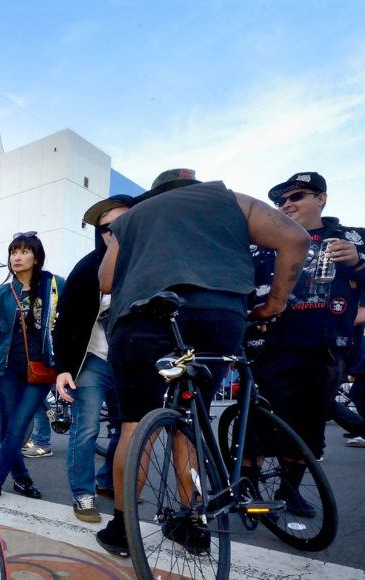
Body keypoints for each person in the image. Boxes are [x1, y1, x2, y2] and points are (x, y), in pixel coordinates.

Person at [94, 169, 309, 557]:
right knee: (192, 419)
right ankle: (193, 523)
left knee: (134, 425)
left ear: (157, 191)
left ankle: (123, 531)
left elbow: (106, 280)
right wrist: (274, 303)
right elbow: (294, 237)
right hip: (218, 311)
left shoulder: (132, 217)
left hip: (144, 317)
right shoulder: (231, 200)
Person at [250, 172, 365, 461]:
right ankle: (249, 491)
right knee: (256, 420)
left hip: (326, 347)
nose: (285, 204)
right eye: (280, 200)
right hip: (268, 343)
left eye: (296, 196)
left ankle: (291, 493)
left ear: (321, 198)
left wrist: (358, 262)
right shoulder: (261, 242)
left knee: (309, 425)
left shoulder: (354, 237)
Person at [51, 194, 132, 522]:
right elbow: (64, 323)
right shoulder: (87, 269)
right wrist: (63, 369)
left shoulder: (151, 263)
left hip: (131, 362)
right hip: (93, 360)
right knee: (85, 430)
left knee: (128, 429)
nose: (112, 233)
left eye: (120, 225)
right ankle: (83, 494)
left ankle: (107, 481)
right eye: (105, 229)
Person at [0, 233, 64, 502]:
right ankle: (22, 478)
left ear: (36, 257)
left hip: (41, 369)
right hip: (7, 370)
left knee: (17, 425)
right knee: (7, 427)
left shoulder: (55, 286)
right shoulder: (2, 294)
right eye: (13, 251)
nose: (16, 257)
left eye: (24, 251)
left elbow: (71, 324)